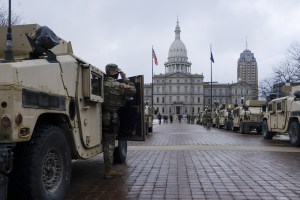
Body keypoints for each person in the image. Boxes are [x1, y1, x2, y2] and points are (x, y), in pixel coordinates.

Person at [102, 63, 136, 179]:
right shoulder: (118, 85)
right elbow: (133, 91)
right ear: (112, 72)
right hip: (112, 116)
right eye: (116, 72)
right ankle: (108, 170)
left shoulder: (100, 83)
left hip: (102, 115)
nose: (117, 74)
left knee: (107, 142)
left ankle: (108, 168)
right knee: (109, 143)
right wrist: (125, 78)